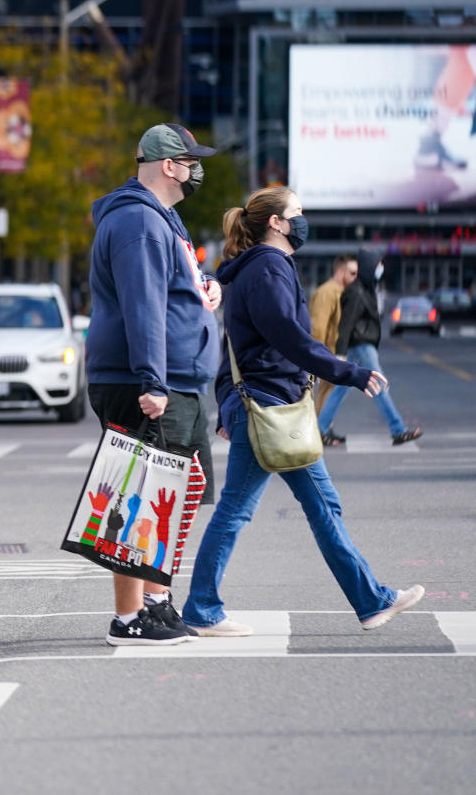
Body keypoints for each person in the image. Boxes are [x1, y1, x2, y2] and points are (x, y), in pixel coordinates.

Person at [181, 187, 424, 635]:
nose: (302, 219)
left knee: (265, 509)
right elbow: (289, 337)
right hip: (272, 409)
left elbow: (234, 344)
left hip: (262, 404)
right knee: (281, 509)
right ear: (276, 223)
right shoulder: (268, 267)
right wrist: (348, 371)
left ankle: (203, 607)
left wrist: (227, 404)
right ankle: (202, 608)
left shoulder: (252, 269)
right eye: (297, 212)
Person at [86, 123, 222, 646]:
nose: (194, 170)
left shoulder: (164, 219)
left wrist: (202, 288)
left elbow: (170, 290)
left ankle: (157, 600)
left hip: (173, 378)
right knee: (136, 495)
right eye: (190, 161)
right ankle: (128, 617)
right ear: (169, 165)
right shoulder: (140, 222)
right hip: (143, 379)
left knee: (173, 493)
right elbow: (144, 306)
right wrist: (153, 381)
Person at [317, 249, 423, 446]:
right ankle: (398, 429)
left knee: (341, 389)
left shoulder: (365, 288)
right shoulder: (357, 291)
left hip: (361, 346)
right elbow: (346, 323)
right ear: (369, 267)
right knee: (379, 386)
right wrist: (340, 352)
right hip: (361, 346)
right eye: (377, 265)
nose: (380, 269)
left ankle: (320, 429)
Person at [309, 253, 358, 433]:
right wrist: (317, 357)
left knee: (328, 391)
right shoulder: (327, 292)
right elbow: (318, 327)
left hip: (333, 352)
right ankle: (322, 430)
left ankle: (323, 428)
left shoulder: (339, 292)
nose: (355, 278)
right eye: (352, 273)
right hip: (328, 352)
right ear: (340, 271)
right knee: (328, 392)